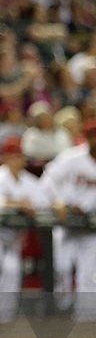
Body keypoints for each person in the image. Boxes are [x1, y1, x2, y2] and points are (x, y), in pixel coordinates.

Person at [43, 121, 96, 321]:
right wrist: (57, 202)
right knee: (62, 268)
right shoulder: (72, 158)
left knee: (89, 273)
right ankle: (60, 313)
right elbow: (48, 180)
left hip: (91, 226)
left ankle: (86, 319)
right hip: (67, 223)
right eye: (92, 136)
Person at [0, 139, 43, 323]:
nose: (17, 160)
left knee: (12, 270)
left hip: (15, 238)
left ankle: (4, 317)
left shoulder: (29, 180)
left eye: (19, 156)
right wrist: (20, 204)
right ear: (6, 158)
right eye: (13, 156)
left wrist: (28, 206)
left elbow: (43, 202)